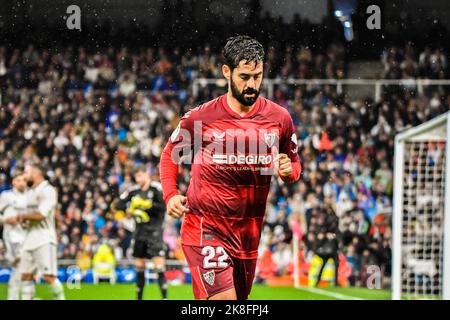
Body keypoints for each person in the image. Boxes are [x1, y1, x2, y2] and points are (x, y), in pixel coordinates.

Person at [160, 35, 301, 300]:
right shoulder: (200, 118)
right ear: (227, 71)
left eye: (257, 76)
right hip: (205, 228)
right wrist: (170, 194)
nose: (252, 84)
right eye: (244, 77)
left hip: (248, 235)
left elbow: (293, 165)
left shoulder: (279, 119)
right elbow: (170, 155)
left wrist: (288, 171)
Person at [112, 164, 168, 300]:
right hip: (139, 233)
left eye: (139, 176)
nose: (137, 179)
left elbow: (164, 206)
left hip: (154, 232)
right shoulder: (133, 191)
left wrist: (147, 205)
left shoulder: (156, 189)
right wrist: (129, 209)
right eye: (136, 176)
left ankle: (165, 298)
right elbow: (117, 204)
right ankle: (139, 298)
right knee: (140, 266)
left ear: (146, 174)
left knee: (159, 265)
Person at [12, 163, 65, 300]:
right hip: (29, 239)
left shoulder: (48, 190)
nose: (24, 176)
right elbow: (30, 216)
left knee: (48, 276)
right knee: (25, 276)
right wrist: (24, 222)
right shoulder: (30, 193)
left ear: (36, 173)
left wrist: (22, 216)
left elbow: (41, 214)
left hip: (45, 239)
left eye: (26, 173)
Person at [0, 171, 27, 300]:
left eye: (23, 180)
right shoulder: (7, 196)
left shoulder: (29, 197)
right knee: (20, 263)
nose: (22, 182)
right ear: (13, 182)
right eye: (19, 180)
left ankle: (15, 296)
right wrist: (5, 220)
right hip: (12, 236)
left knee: (22, 268)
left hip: (25, 237)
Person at [314, 205, 340, 287]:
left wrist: (332, 235)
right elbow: (320, 235)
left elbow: (337, 234)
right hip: (327, 248)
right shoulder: (325, 224)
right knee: (324, 264)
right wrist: (326, 235)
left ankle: (335, 282)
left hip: (333, 247)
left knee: (336, 263)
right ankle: (318, 281)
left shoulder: (334, 223)